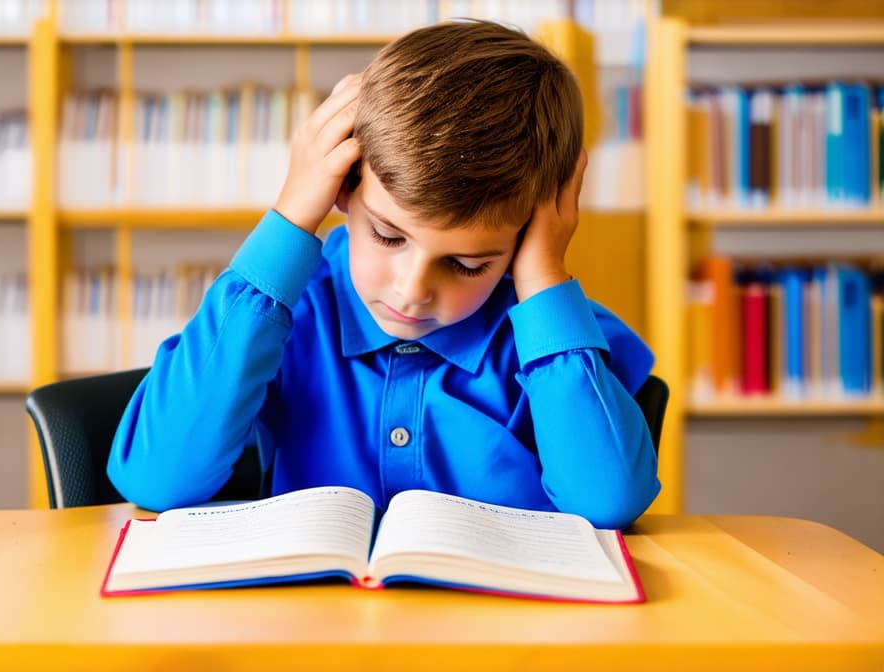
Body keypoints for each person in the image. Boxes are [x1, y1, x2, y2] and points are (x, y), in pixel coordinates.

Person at [108, 19, 660, 530]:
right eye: (388, 236)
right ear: (343, 188)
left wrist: (543, 275)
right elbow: (158, 480)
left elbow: (606, 502)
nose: (412, 288)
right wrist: (289, 219)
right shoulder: (286, 315)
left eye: (468, 264)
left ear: (526, 239)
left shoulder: (549, 334)